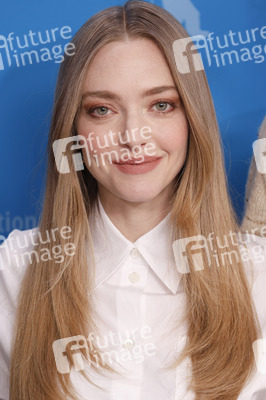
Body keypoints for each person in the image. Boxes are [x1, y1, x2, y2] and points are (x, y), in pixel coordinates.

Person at [0, 1, 265, 399]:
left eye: (161, 105)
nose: (131, 135)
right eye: (102, 110)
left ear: (192, 117)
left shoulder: (256, 275)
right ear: (73, 128)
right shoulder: (14, 269)